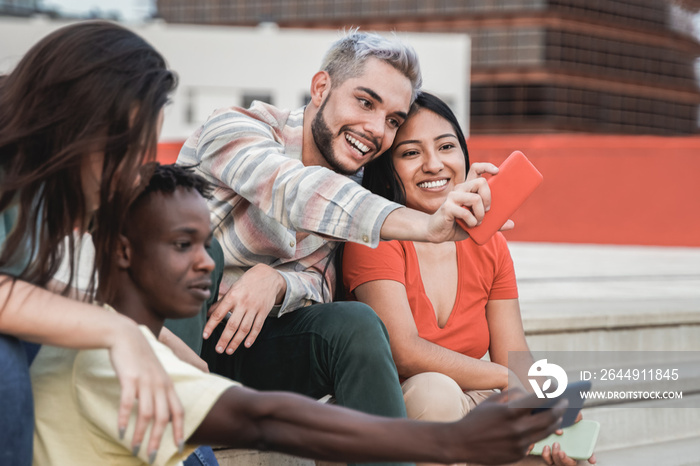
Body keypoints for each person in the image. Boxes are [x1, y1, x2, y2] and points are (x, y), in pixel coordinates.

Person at [30, 163, 567, 465]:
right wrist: (452, 442)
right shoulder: (113, 365)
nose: (206, 264)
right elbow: (266, 418)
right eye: (181, 244)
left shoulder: (138, 348)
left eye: (206, 245)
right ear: (121, 252)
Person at [176, 32, 502, 466]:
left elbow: (320, 281)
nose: (375, 130)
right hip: (169, 338)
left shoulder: (355, 189)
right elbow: (292, 189)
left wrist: (277, 281)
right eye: (365, 103)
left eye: (391, 120)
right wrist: (427, 226)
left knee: (355, 323)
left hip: (247, 354)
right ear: (321, 88)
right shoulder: (236, 129)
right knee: (198, 254)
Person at [343, 92, 596, 466]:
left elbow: (516, 354)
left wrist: (548, 409)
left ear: (463, 154)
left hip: (470, 406)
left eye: (446, 146)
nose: (433, 165)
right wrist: (504, 378)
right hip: (394, 411)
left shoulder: (490, 243)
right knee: (436, 393)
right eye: (410, 153)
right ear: (386, 168)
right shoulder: (376, 236)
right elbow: (406, 354)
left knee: (551, 453)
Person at [0, 21, 185, 465]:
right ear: (78, 123)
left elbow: (48, 294)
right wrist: (117, 331)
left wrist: (163, 349)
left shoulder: (43, 195)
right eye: (129, 149)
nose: (135, 171)